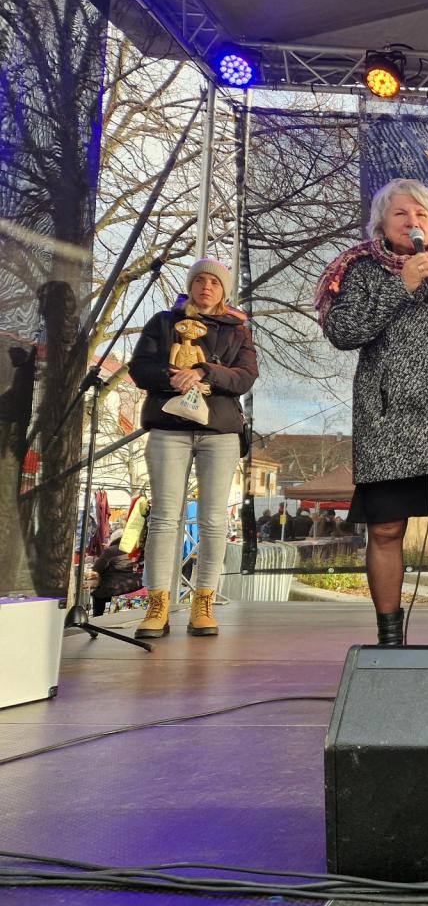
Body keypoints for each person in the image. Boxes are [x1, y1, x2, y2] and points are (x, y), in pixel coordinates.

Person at [317, 178, 428, 647]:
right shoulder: (360, 271)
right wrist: (402, 284)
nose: (412, 221)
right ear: (381, 223)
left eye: (421, 214)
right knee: (385, 529)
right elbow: (343, 332)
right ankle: (389, 642)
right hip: (389, 422)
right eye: (401, 213)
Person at [128, 258, 257, 638]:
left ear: (224, 290)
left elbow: (246, 376)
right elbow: (140, 368)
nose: (206, 287)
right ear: (190, 285)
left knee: (214, 519)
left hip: (219, 431)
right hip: (169, 427)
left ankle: (204, 600)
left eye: (214, 282)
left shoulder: (238, 331)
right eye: (199, 280)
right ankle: (158, 604)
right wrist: (173, 377)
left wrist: (205, 372)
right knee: (165, 516)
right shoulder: (163, 323)